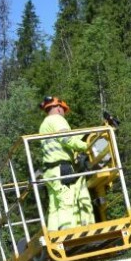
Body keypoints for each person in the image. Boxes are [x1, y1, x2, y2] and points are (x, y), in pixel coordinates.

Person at [38, 96, 94, 231]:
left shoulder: (44, 125)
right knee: (66, 201)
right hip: (60, 167)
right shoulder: (57, 119)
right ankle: (67, 236)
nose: (64, 113)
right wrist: (88, 146)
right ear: (58, 108)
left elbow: (64, 139)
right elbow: (67, 139)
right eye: (64, 110)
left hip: (49, 171)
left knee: (54, 206)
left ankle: (53, 236)